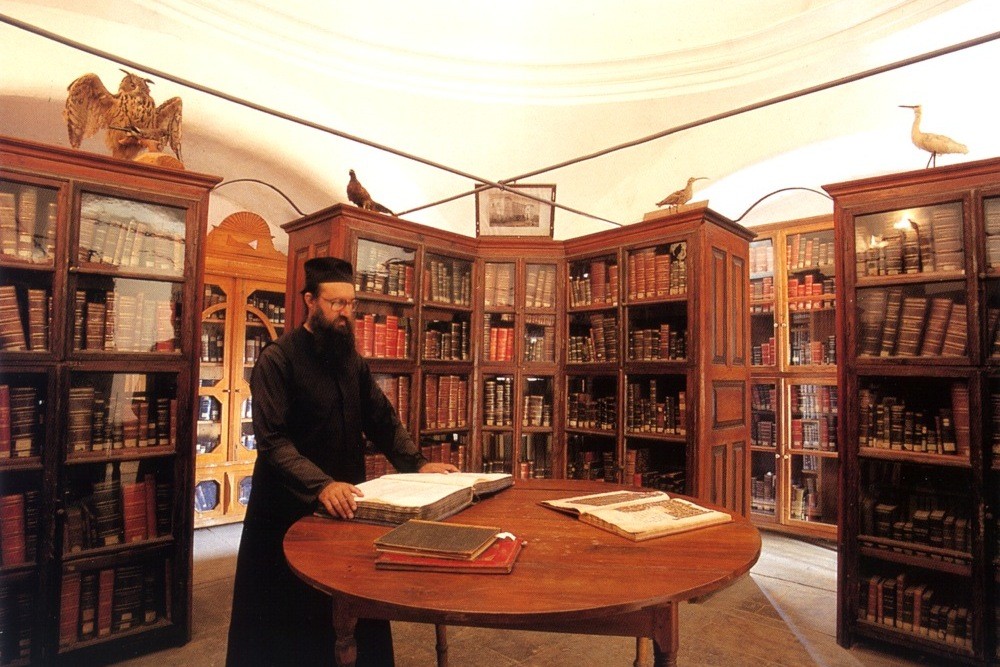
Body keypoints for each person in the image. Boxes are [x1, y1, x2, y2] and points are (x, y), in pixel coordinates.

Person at [226, 257, 457, 666]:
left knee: (353, 613)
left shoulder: (351, 361)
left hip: (346, 506)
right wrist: (321, 486)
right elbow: (273, 442)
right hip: (287, 511)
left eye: (351, 304)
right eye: (336, 304)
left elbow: (382, 419)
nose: (346, 313)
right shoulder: (277, 360)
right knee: (290, 631)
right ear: (310, 301)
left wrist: (418, 463)